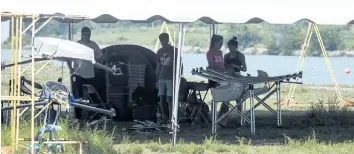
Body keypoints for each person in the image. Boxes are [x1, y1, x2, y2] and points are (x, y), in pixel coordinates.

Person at [67, 27, 105, 119]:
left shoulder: (93, 44)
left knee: (93, 93)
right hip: (78, 73)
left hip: (90, 74)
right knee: (78, 95)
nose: (87, 37)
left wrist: (95, 60)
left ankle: (94, 113)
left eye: (88, 35)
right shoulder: (77, 45)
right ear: (82, 35)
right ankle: (78, 115)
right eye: (85, 35)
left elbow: (100, 56)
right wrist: (70, 68)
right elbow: (68, 57)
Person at [206, 34, 230, 127]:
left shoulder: (220, 52)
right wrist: (223, 71)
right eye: (220, 43)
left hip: (222, 77)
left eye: (222, 43)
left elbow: (221, 65)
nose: (221, 45)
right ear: (214, 43)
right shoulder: (210, 53)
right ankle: (216, 120)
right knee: (216, 99)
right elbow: (212, 67)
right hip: (214, 78)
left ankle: (222, 118)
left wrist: (226, 70)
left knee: (227, 99)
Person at [156, 33, 179, 125]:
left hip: (170, 77)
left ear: (167, 40)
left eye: (164, 40)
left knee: (170, 98)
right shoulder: (159, 52)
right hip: (161, 78)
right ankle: (164, 117)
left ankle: (171, 118)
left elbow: (178, 63)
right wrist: (156, 78)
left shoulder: (174, 50)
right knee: (161, 97)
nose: (163, 43)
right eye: (161, 41)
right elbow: (158, 65)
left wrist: (178, 76)